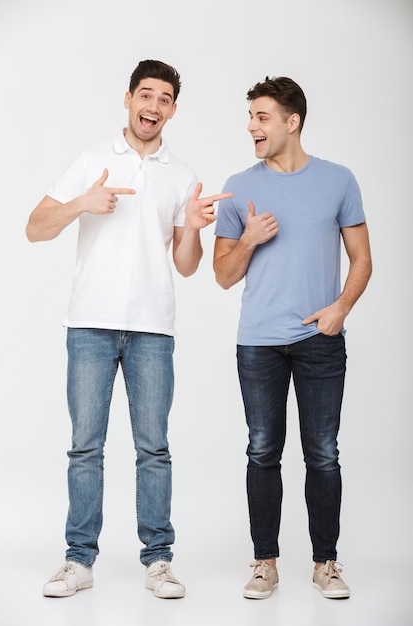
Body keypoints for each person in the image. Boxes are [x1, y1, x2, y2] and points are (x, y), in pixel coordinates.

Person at [26, 59, 232, 599]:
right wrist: (81, 203)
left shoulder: (182, 175)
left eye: (165, 99)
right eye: (146, 95)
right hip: (90, 324)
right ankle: (79, 560)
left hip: (151, 328)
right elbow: (34, 228)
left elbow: (187, 266)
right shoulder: (92, 160)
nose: (153, 107)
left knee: (154, 449)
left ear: (173, 110)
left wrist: (192, 225)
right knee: (84, 448)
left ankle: (159, 560)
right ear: (128, 99)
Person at [213, 76, 372, 600]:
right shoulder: (239, 185)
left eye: (262, 117)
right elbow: (222, 274)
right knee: (263, 451)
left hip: (320, 340)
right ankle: (265, 563)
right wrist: (251, 240)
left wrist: (339, 310)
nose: (252, 127)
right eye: (251, 117)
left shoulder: (339, 180)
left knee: (323, 452)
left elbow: (362, 259)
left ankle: (325, 562)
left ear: (292, 122)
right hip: (258, 341)